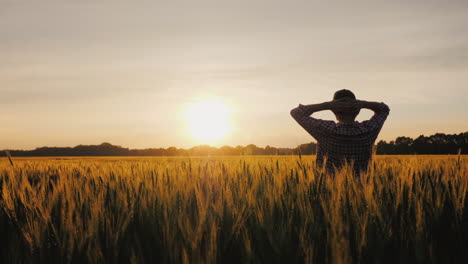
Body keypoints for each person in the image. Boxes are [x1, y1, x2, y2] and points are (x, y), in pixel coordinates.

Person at [290, 89, 390, 175]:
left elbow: (296, 113)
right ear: (357, 110)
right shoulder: (369, 130)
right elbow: (384, 109)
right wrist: (363, 104)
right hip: (362, 192)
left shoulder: (326, 130)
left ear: (333, 110)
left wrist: (327, 105)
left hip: (328, 192)